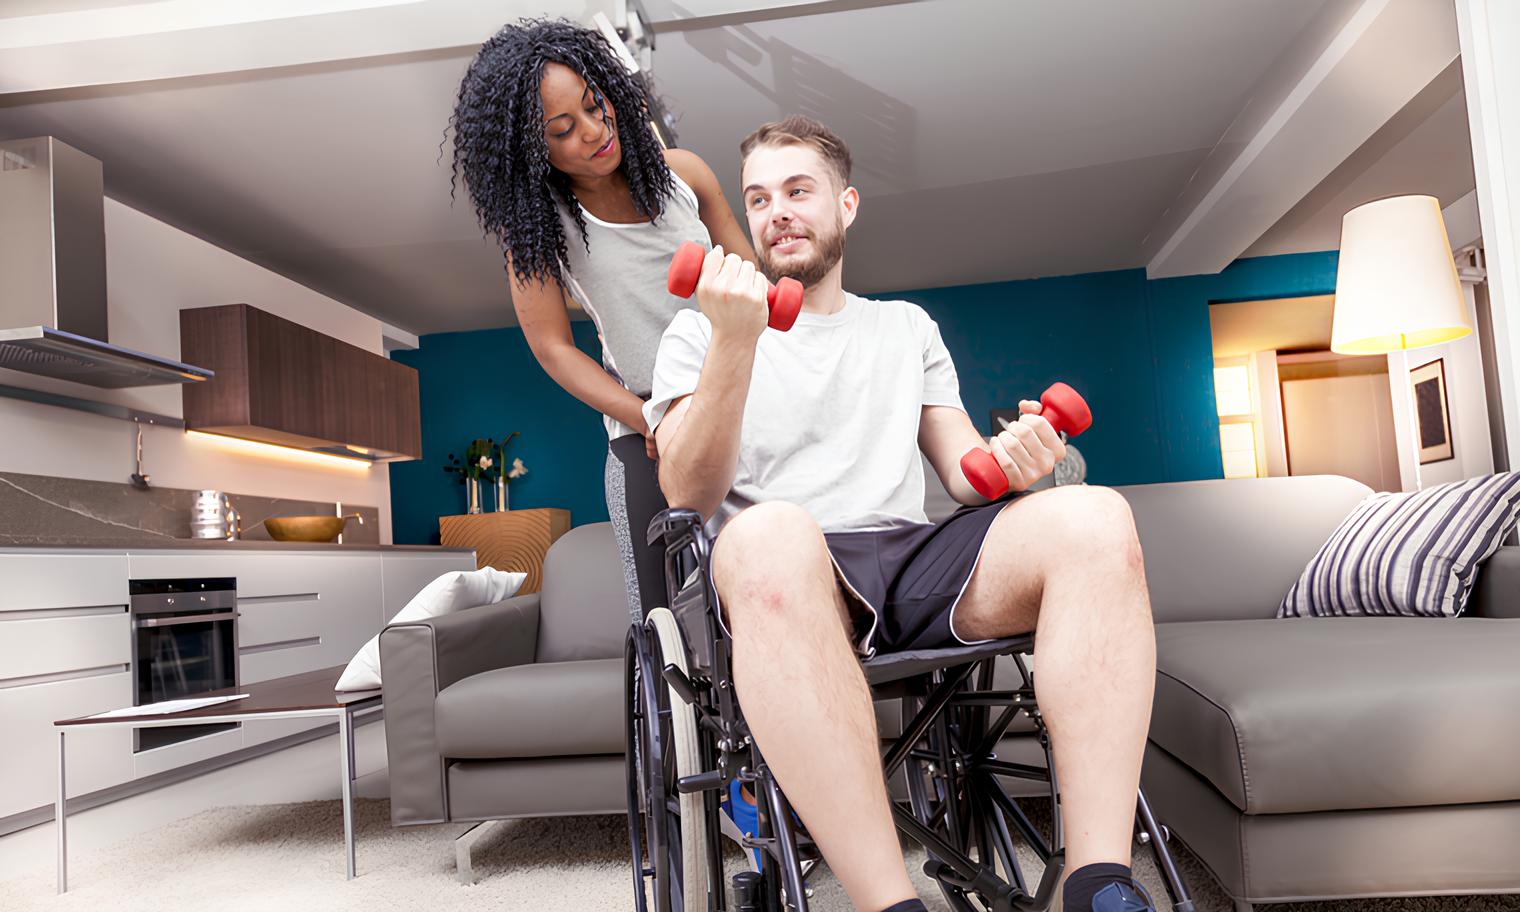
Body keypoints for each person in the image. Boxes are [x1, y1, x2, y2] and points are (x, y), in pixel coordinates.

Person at [643, 116, 1160, 912]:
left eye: (798, 190)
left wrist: (1021, 460)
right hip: (785, 572)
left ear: (845, 206)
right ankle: (893, 904)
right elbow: (688, 493)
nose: (776, 209)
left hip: (910, 560)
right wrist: (733, 344)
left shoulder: (905, 327)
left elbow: (965, 474)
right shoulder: (701, 330)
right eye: (758, 197)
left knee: (1096, 517)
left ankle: (1098, 884)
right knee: (772, 529)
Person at [450, 18, 757, 620]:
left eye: (596, 107)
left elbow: (753, 285)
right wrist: (643, 415)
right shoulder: (542, 233)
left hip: (746, 403)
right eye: (563, 129)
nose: (593, 133)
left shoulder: (686, 176)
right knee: (666, 618)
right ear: (533, 150)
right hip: (648, 433)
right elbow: (553, 350)